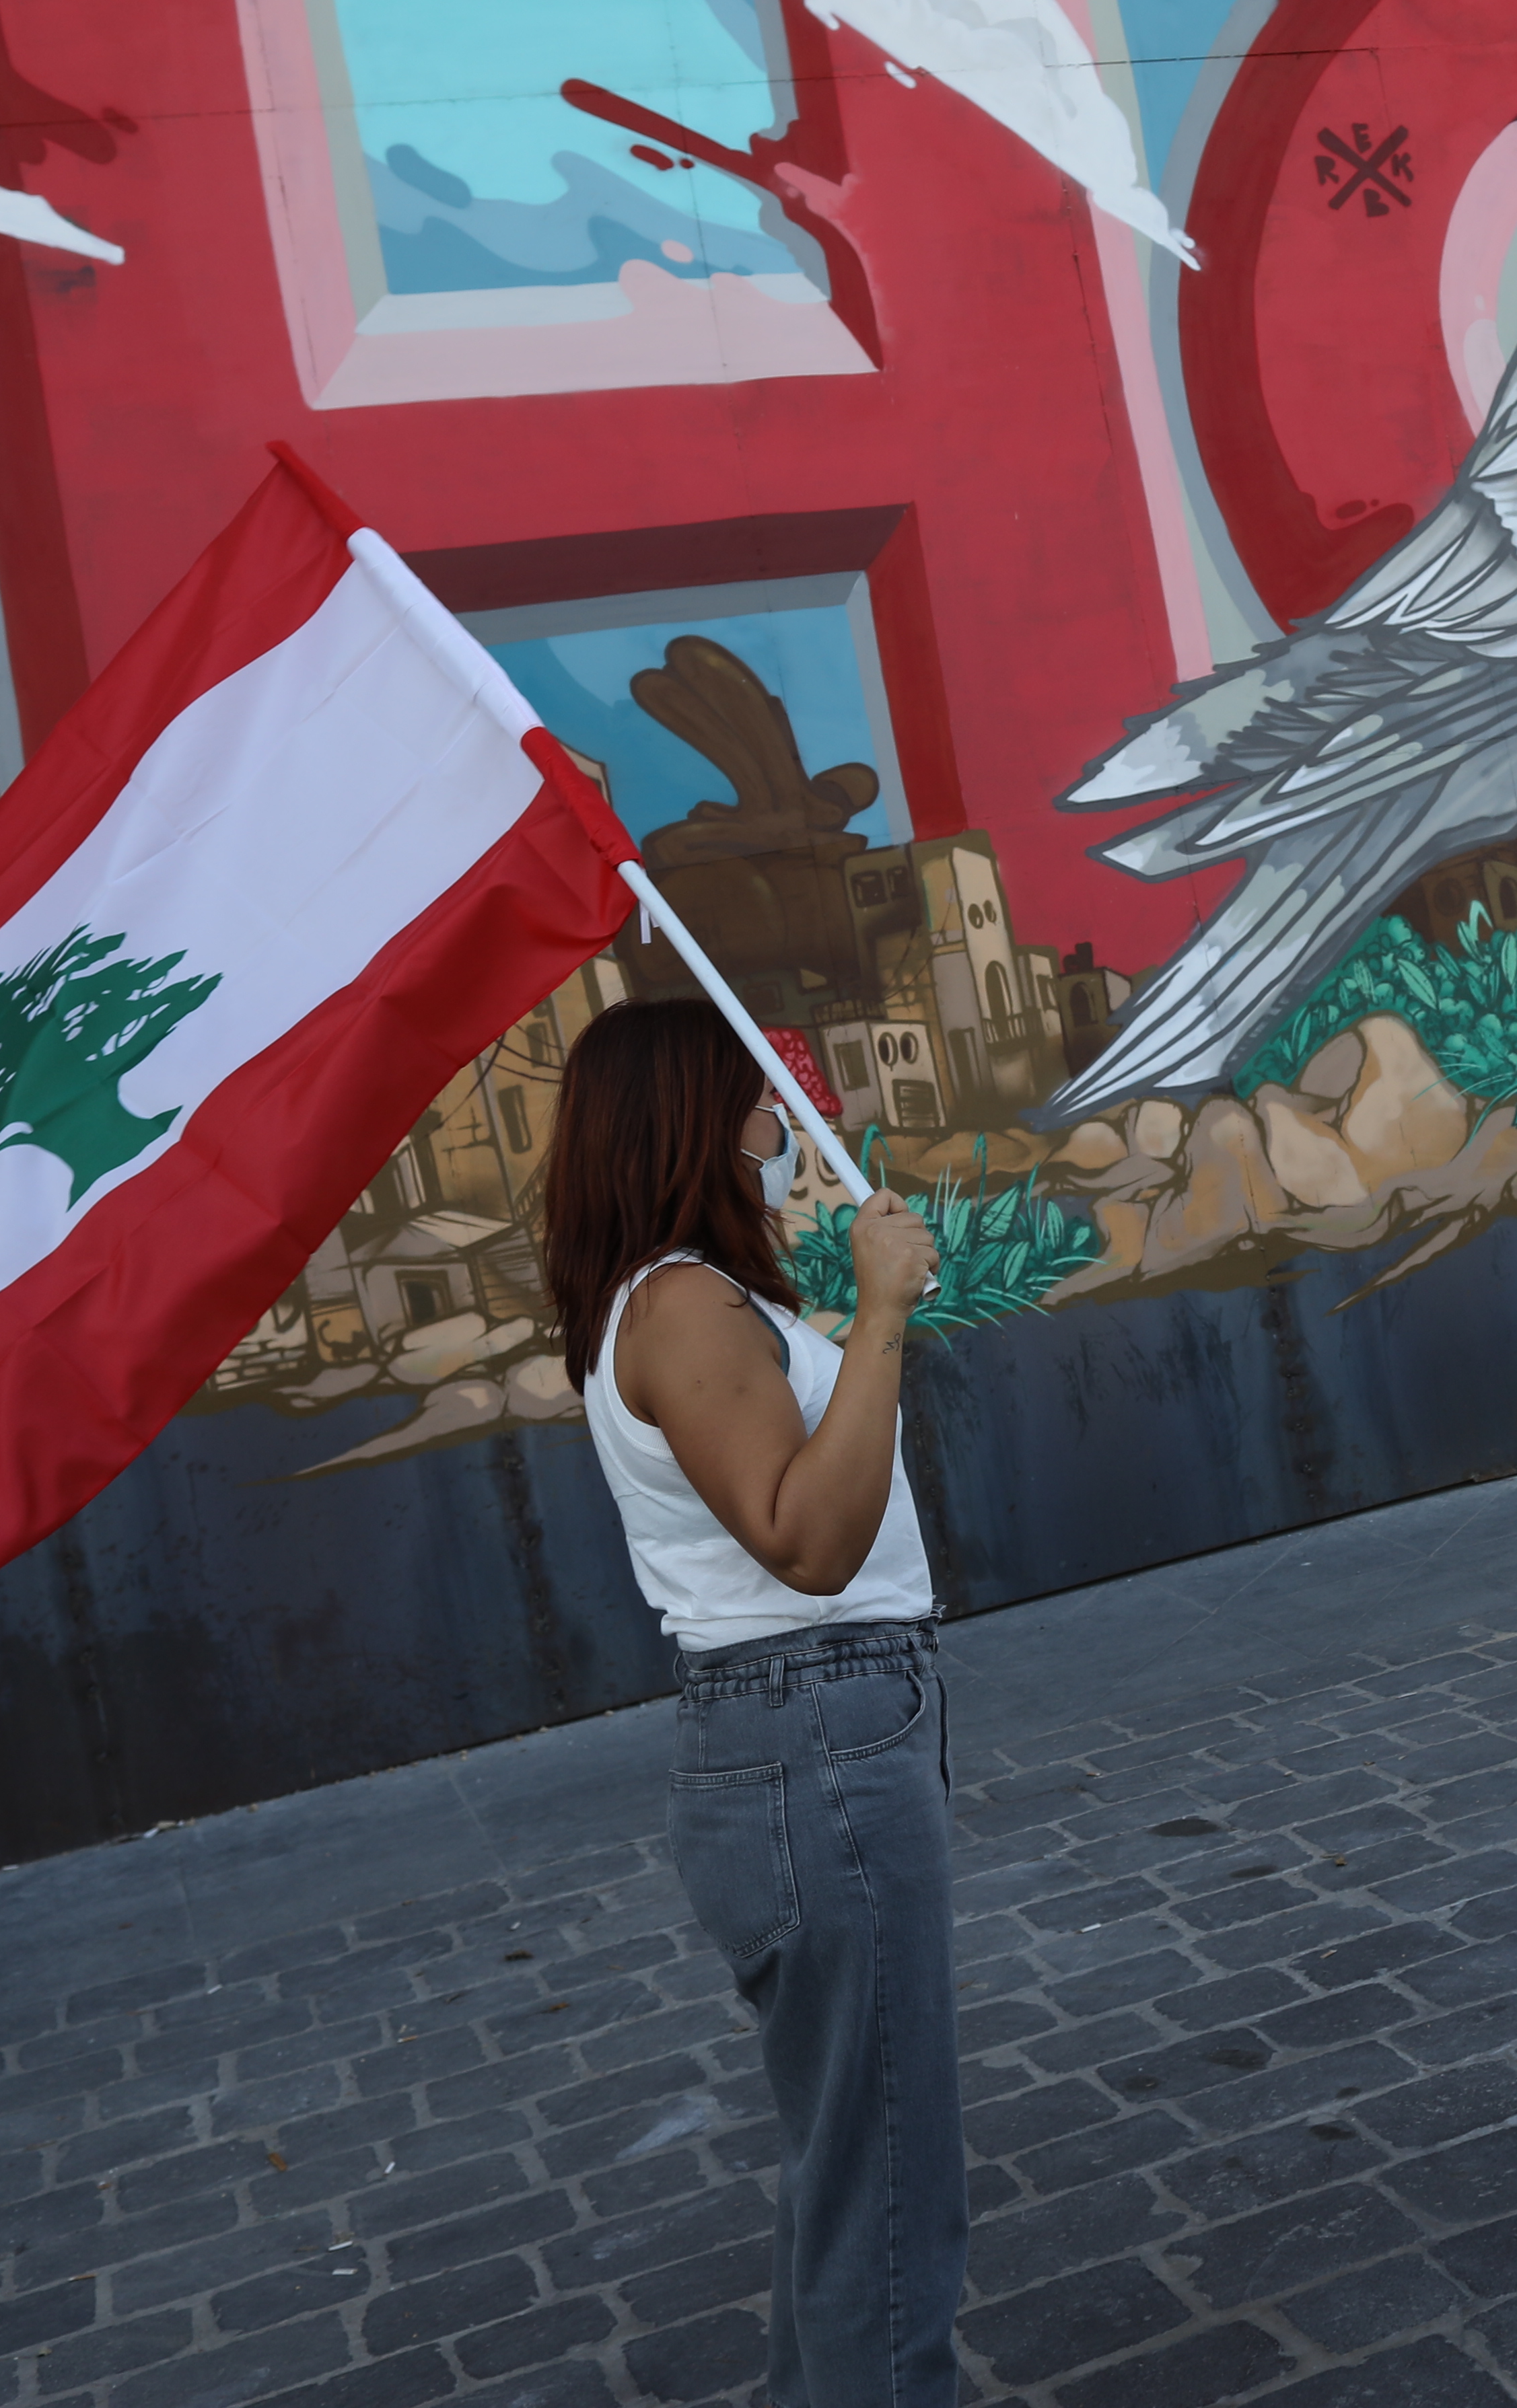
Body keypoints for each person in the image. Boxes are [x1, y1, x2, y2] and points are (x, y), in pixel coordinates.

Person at [539, 997, 951, 2408]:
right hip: (818, 1734)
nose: (784, 1131)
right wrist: (880, 1314)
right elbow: (807, 1541)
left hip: (807, 1731)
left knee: (851, 2162)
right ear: (699, 1126)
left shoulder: (687, 1301)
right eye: (765, 1106)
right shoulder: (680, 1304)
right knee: (887, 2182)